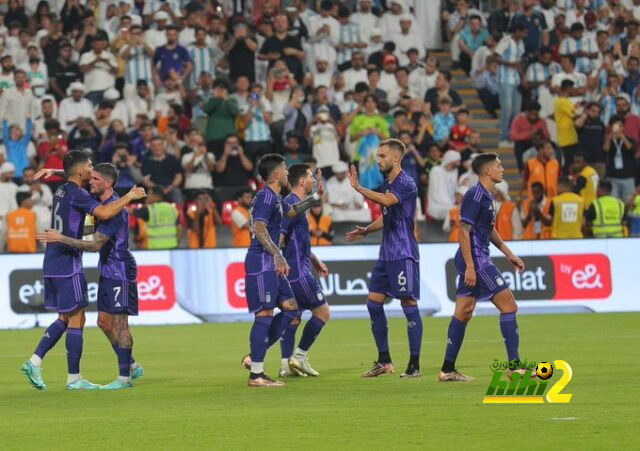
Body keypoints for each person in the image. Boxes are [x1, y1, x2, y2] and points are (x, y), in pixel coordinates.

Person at [20, 151, 145, 391]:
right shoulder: (82, 196)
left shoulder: (62, 190)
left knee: (67, 318)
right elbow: (106, 214)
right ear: (80, 171)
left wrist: (55, 172)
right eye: (89, 167)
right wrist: (131, 195)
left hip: (55, 261)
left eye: (96, 173)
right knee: (76, 318)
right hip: (68, 262)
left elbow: (75, 179)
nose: (91, 171)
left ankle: (36, 361)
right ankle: (73, 378)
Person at [438, 153, 529, 382]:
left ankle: (447, 369)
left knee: (463, 312)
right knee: (509, 306)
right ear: (487, 171)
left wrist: (509, 254)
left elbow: (488, 230)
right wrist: (470, 266)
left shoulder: (488, 196)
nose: (502, 170)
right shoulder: (474, 195)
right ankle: (514, 367)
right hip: (477, 261)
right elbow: (464, 231)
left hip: (476, 259)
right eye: (498, 166)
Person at [240, 153, 324, 387]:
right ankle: (256, 374)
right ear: (276, 174)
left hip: (270, 263)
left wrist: (314, 198)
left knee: (289, 309)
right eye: (285, 170)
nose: (288, 173)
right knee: (264, 315)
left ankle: (255, 356)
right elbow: (258, 227)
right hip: (262, 263)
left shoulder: (275, 198)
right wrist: (277, 254)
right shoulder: (265, 197)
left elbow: (290, 213)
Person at [345, 138, 422, 379]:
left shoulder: (406, 183)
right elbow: (388, 214)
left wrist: (358, 188)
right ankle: (384, 361)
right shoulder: (387, 183)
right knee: (373, 304)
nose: (378, 160)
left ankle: (414, 364)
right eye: (377, 156)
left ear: (396, 158)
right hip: (386, 254)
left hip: (403, 253)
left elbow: (387, 201)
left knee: (408, 303)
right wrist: (366, 230)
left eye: (382, 156)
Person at [277, 164, 331, 377]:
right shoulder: (290, 203)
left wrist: (316, 260)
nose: (312, 179)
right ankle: (299, 357)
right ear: (301, 181)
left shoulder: (298, 204)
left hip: (300, 266)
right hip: (298, 271)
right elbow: (280, 237)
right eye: (310, 176)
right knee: (323, 312)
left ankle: (284, 365)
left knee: (294, 317)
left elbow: (296, 240)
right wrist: (279, 260)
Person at [494, 22, 526, 147]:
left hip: (516, 79)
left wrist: (522, 77)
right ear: (517, 31)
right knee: (506, 109)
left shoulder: (521, 44)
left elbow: (519, 63)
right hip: (505, 79)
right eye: (523, 32)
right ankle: (503, 137)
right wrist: (509, 64)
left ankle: (512, 136)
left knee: (516, 111)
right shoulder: (506, 40)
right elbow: (494, 57)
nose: (524, 35)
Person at [603, 115, 637, 203]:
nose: (618, 128)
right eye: (616, 126)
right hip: (613, 176)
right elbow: (605, 150)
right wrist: (609, 138)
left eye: (620, 126)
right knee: (613, 201)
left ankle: (628, 217)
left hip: (628, 175)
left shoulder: (629, 139)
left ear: (623, 127)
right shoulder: (608, 139)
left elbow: (632, 150)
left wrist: (623, 137)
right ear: (611, 127)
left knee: (629, 201)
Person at [428, 150, 461, 221]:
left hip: (451, 205)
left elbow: (455, 191)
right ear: (451, 160)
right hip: (437, 206)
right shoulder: (436, 171)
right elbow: (436, 192)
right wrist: (450, 205)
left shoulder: (454, 173)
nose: (459, 163)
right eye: (457, 160)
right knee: (457, 211)